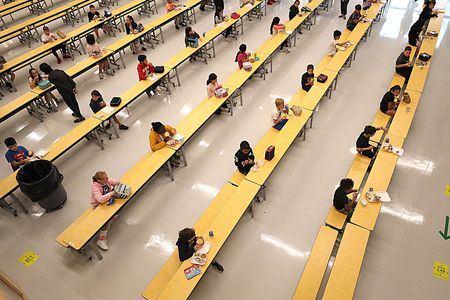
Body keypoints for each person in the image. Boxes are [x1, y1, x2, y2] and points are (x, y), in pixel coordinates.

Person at [90, 171, 121, 250]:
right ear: (99, 181)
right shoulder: (95, 187)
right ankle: (101, 240)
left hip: (107, 200)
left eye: (107, 177)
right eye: (105, 178)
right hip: (98, 205)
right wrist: (112, 193)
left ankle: (112, 217)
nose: (107, 179)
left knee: (121, 204)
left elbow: (114, 182)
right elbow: (100, 200)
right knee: (106, 222)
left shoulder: (106, 180)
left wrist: (117, 183)